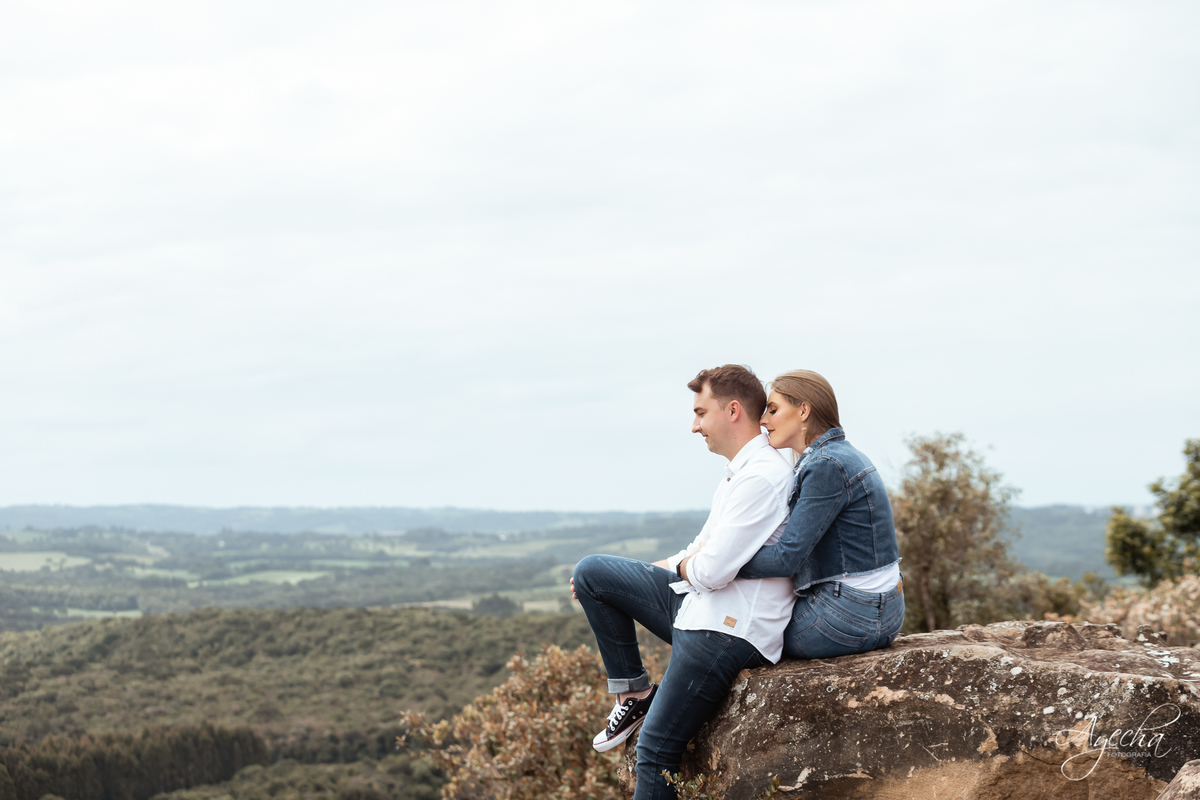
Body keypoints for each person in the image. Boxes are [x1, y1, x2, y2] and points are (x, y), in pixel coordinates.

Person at [571, 365, 796, 800]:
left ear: (732, 411)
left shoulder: (762, 477)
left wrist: (685, 567)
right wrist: (634, 578)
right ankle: (634, 693)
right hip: (700, 604)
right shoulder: (738, 473)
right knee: (594, 573)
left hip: (727, 629)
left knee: (655, 750)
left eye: (700, 413)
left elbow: (711, 571)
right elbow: (698, 551)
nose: (694, 426)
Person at [736, 369, 905, 658]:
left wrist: (720, 562)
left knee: (738, 637)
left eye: (773, 410)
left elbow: (785, 559)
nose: (763, 421)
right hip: (881, 612)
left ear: (803, 410)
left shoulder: (826, 465)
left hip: (849, 617)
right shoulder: (841, 455)